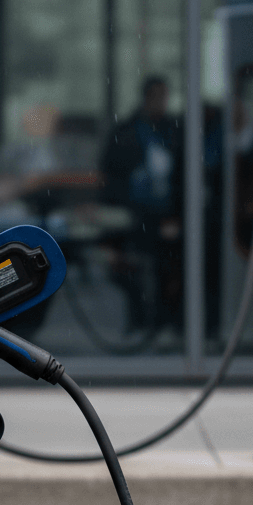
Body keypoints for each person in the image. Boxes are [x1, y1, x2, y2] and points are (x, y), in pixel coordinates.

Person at [100, 76, 183, 333]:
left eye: (164, 97)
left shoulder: (174, 130)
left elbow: (183, 176)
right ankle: (140, 321)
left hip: (165, 214)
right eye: (156, 97)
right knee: (132, 269)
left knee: (166, 270)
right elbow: (110, 176)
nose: (161, 103)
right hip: (134, 214)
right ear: (146, 98)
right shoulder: (126, 132)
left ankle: (163, 321)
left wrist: (175, 214)